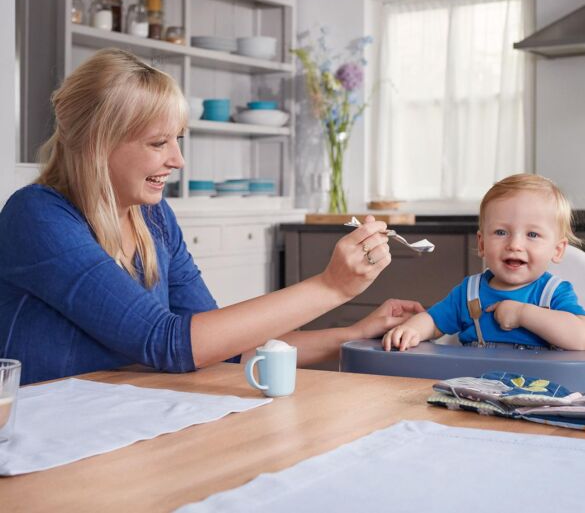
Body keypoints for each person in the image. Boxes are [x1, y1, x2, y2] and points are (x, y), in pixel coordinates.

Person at [0, 48, 423, 385]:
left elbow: (220, 346)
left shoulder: (155, 219)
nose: (178, 160)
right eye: (158, 142)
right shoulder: (37, 216)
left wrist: (353, 334)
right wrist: (331, 287)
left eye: (178, 140)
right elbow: (168, 342)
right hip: (46, 439)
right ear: (96, 142)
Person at [383, 173, 585, 352]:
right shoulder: (469, 293)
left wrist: (523, 313)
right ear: (482, 244)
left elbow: (581, 337)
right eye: (501, 232)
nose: (514, 244)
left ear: (557, 250)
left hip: (537, 391)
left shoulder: (553, 294)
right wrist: (411, 329)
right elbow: (434, 322)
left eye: (532, 234)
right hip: (474, 387)